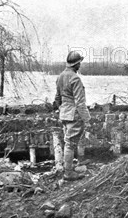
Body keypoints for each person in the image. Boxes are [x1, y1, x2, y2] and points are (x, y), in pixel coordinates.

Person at [54, 51, 91, 180]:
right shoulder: (75, 78)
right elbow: (80, 102)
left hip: (64, 114)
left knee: (68, 142)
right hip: (73, 115)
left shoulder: (60, 76)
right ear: (76, 64)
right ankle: (68, 173)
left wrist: (62, 110)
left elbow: (57, 98)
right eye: (79, 63)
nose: (80, 65)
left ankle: (70, 167)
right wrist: (87, 119)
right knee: (70, 144)